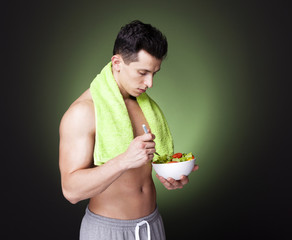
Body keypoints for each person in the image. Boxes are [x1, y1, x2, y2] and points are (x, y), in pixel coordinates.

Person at [59, 20, 198, 240]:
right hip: (107, 231)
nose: (150, 83)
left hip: (151, 225)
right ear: (117, 62)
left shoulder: (144, 105)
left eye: (154, 73)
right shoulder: (83, 113)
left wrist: (168, 176)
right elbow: (71, 191)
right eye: (142, 72)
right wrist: (124, 160)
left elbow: (143, 170)